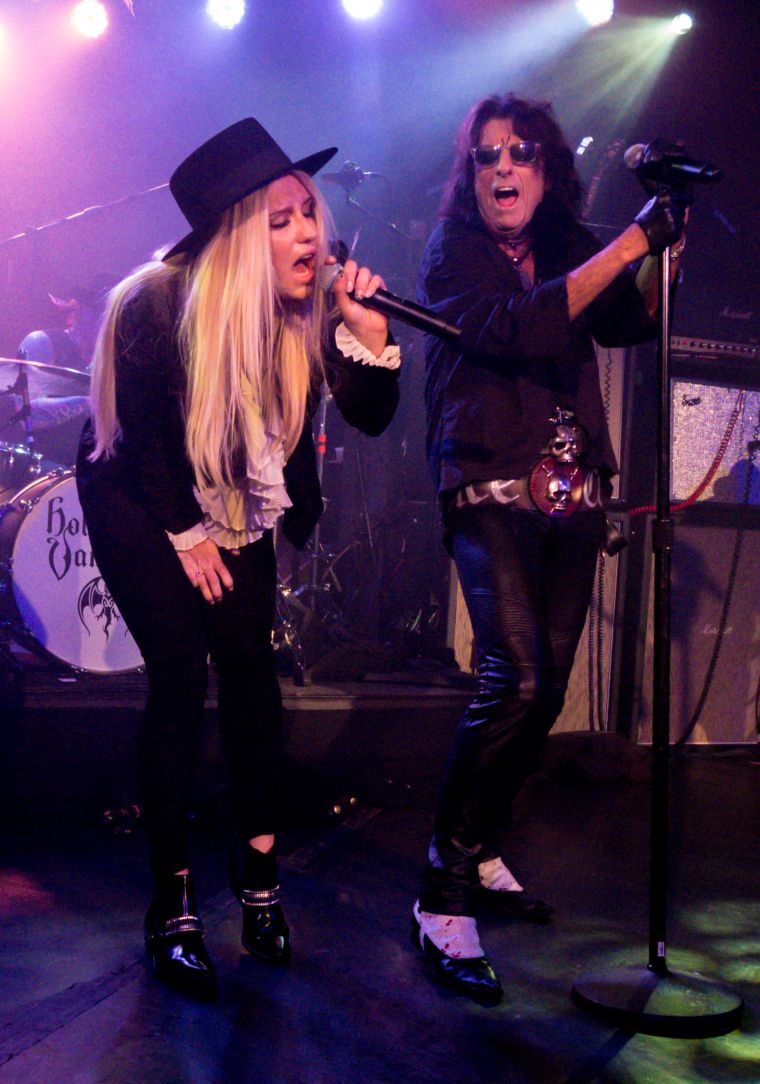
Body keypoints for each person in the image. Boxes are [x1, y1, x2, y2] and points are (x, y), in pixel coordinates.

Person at [76, 118, 400, 997]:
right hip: (143, 498)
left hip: (233, 497)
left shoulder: (301, 315)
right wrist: (185, 535)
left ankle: (258, 877)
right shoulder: (156, 301)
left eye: (310, 214)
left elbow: (370, 413)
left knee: (251, 673)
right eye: (281, 219)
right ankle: (170, 898)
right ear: (233, 234)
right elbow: (142, 439)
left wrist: (364, 329)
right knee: (181, 672)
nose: (310, 235)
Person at [412, 94, 687, 1005]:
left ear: (545, 168)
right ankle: (441, 892)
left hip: (571, 488)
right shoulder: (453, 249)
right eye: (487, 154)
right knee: (516, 678)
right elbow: (514, 327)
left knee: (552, 688)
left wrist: (659, 259)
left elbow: (621, 324)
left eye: (521, 154)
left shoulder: (570, 240)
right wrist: (631, 246)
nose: (503, 168)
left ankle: (484, 845)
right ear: (472, 171)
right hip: (487, 484)